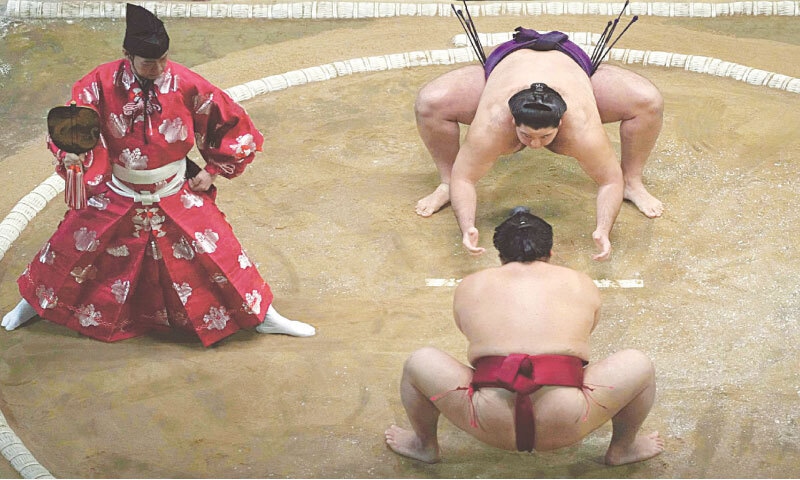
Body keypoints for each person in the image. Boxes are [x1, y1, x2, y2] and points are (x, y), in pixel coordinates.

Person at [1, 4, 315, 346]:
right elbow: (72, 123)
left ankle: (265, 316)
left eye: (163, 59)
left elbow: (230, 121)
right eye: (149, 62)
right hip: (117, 187)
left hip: (174, 187)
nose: (159, 68)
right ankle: (33, 304)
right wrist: (72, 153)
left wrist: (211, 171)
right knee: (69, 245)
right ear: (127, 55)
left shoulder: (186, 82)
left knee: (221, 251)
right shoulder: (100, 82)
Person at [385, 207, 663, 465]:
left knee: (419, 361)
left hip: (486, 417)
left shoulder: (471, 284)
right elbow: (586, 332)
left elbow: (467, 331)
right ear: (550, 252)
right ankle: (623, 448)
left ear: (500, 256)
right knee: (638, 363)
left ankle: (424, 445)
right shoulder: (580, 281)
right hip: (570, 416)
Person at [413, 26, 664, 260]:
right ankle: (445, 183)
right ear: (512, 121)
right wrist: (467, 227)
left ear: (561, 123)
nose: (534, 145)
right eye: (526, 135)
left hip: (571, 61)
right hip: (508, 60)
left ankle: (632, 183)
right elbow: (465, 178)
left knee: (648, 101)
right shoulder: (492, 124)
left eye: (545, 137)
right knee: (430, 102)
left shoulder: (582, 128)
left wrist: (603, 230)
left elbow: (609, 180)